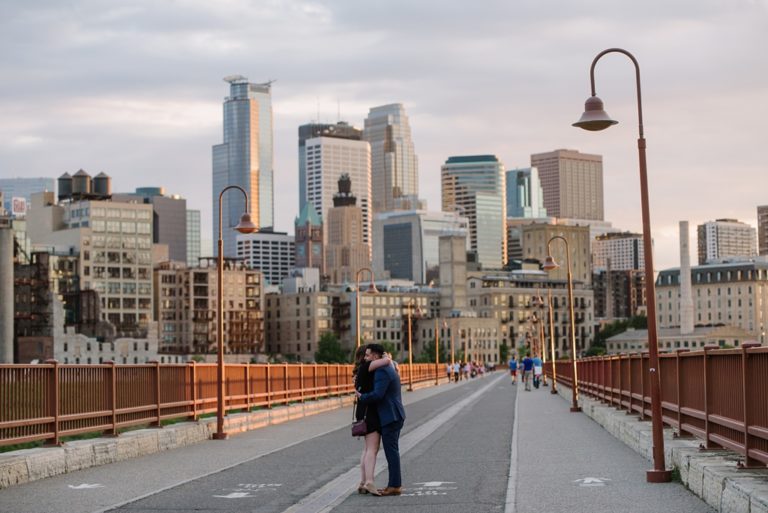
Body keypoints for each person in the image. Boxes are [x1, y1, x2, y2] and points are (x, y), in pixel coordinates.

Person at [356, 343, 406, 496]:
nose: (366, 357)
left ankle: (394, 485)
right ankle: (392, 484)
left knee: (391, 451)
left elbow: (378, 395)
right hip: (392, 414)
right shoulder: (386, 368)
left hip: (390, 415)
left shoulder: (382, 371)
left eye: (368, 355)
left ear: (375, 356)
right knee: (391, 450)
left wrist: (362, 397)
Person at [353, 345, 392, 495]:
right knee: (372, 449)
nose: (366, 357)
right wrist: (385, 356)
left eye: (368, 355)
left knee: (367, 448)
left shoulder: (360, 371)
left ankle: (363, 482)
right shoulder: (367, 366)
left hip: (362, 410)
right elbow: (387, 361)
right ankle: (369, 481)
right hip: (370, 412)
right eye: (367, 355)